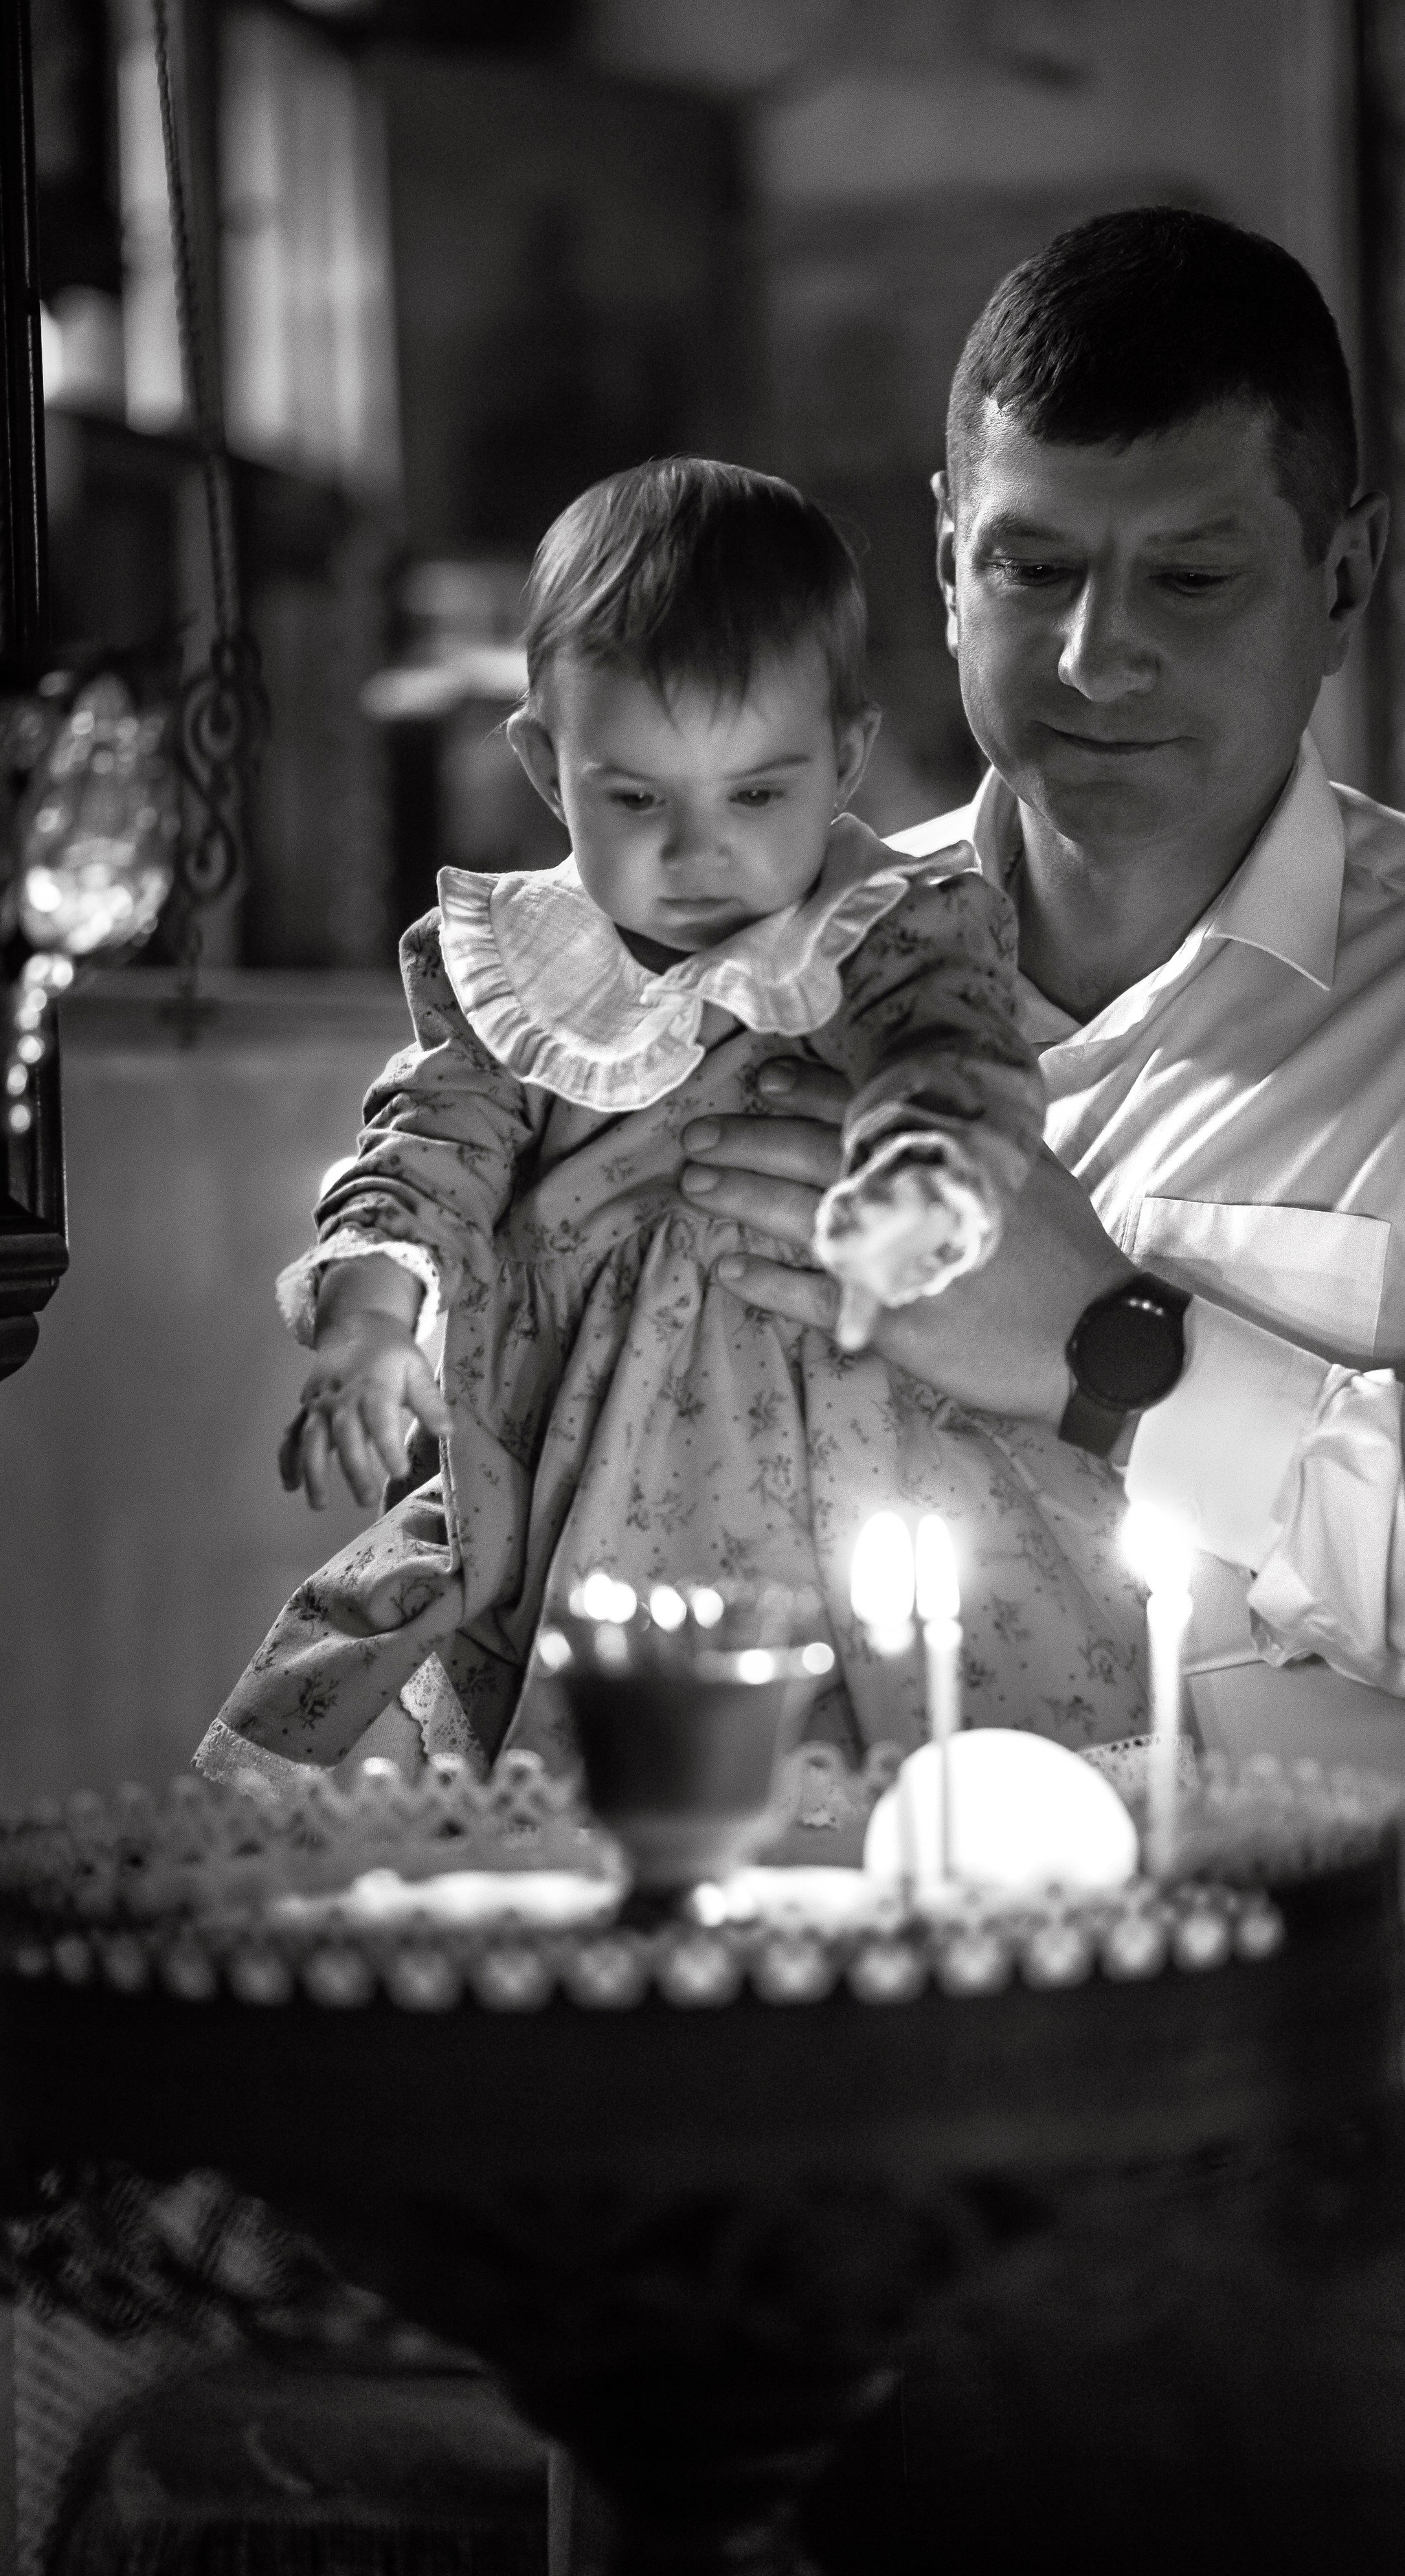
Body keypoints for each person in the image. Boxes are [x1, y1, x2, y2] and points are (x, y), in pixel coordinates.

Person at [675, 210, 1405, 2576]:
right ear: (941, 555)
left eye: (1191, 575)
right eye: (1033, 567)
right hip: (837, 2132)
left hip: (1343, 2163)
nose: (1094, 657)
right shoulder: (778, 982)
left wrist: (1118, 1347)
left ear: (1345, 573)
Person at [196, 457, 1151, 1788]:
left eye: (756, 795)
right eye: (636, 800)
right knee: (574, 1774)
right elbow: (425, 1147)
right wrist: (366, 1325)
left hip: (857, 1431)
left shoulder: (888, 929)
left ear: (844, 761)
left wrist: (918, 1172)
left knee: (899, 1761)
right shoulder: (518, 975)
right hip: (583, 1452)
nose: (698, 855)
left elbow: (952, 1054)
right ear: (545, 763)